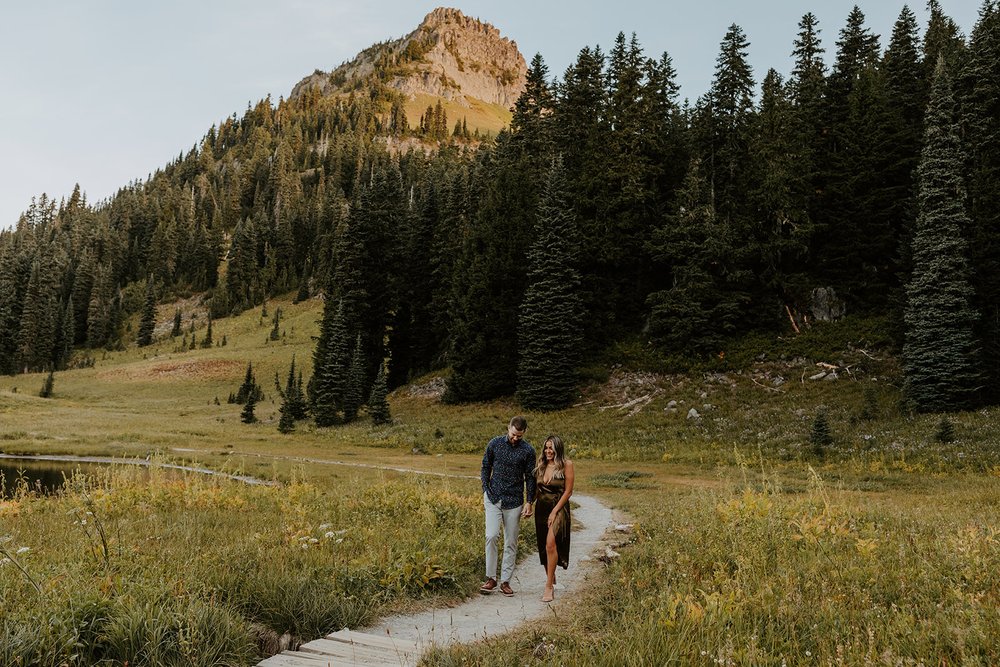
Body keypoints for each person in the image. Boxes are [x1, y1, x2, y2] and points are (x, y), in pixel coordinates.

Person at [480, 415, 536, 597]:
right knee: (491, 535)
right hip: (493, 498)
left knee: (510, 541)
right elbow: (485, 466)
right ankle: (491, 578)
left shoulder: (528, 451)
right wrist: (485, 489)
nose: (515, 438)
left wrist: (529, 501)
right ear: (508, 428)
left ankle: (505, 581)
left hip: (514, 501)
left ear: (524, 433)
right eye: (513, 434)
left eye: (519, 436)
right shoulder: (495, 444)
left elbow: (530, 477)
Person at [533, 434, 574, 603]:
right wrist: (528, 504)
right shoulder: (541, 465)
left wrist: (555, 511)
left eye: (551, 448)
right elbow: (537, 490)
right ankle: (551, 574)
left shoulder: (567, 465)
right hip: (541, 508)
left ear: (558, 449)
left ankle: (549, 586)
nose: (548, 451)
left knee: (551, 543)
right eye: (546, 448)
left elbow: (568, 491)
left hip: (558, 508)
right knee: (543, 544)